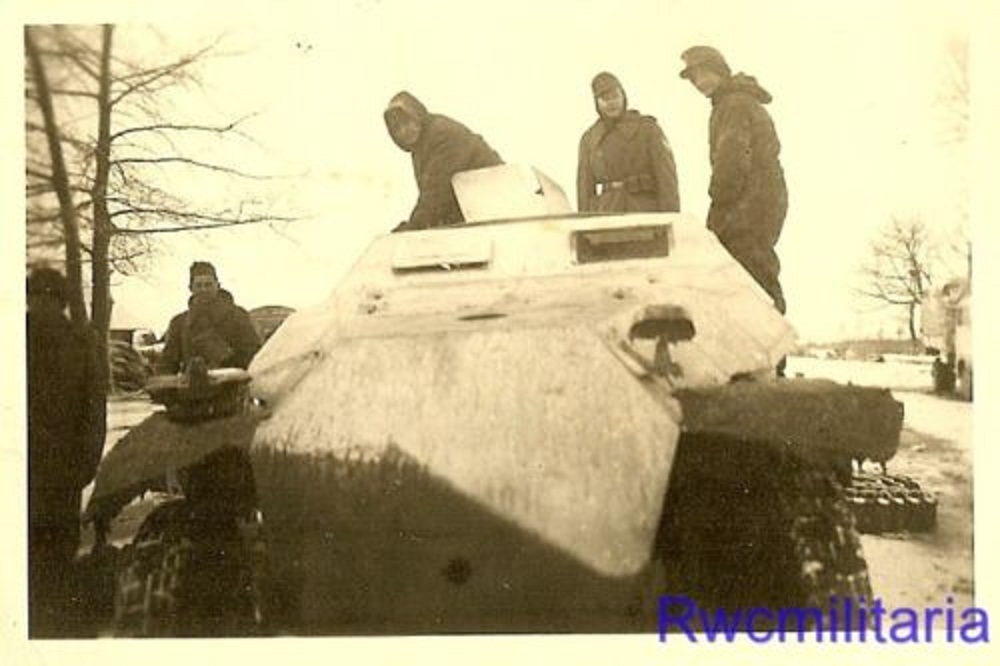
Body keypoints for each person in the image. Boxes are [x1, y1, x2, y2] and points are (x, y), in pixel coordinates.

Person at [679, 46, 788, 315]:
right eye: (694, 78)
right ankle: (769, 348)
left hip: (748, 202)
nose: (699, 82)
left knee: (752, 276)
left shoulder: (733, 104)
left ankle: (770, 349)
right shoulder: (735, 101)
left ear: (720, 69)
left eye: (704, 73)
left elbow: (732, 160)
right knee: (755, 270)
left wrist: (718, 204)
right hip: (762, 197)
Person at [27, 267, 103, 637]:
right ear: (62, 299)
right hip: (66, 469)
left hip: (21, 467)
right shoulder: (80, 338)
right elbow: (95, 409)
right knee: (59, 552)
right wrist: (87, 464)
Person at [384, 91, 504, 231]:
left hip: (495, 204)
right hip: (472, 210)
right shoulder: (420, 145)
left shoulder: (441, 134)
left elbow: (436, 192)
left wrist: (413, 226)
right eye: (397, 129)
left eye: (407, 123)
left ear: (416, 116)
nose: (404, 131)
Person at [577, 71, 680, 214]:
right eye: (604, 98)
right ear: (597, 103)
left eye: (615, 96)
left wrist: (671, 218)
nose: (611, 102)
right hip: (606, 214)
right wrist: (584, 227)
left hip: (645, 211)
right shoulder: (589, 139)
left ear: (623, 96)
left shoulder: (647, 129)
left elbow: (666, 179)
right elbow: (584, 189)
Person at [157, 261, 261, 374]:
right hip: (192, 387)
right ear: (191, 288)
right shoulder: (179, 323)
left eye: (208, 284)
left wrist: (226, 356)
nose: (204, 289)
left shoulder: (239, 316)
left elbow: (254, 356)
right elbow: (167, 363)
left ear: (218, 285)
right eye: (199, 285)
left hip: (232, 386)